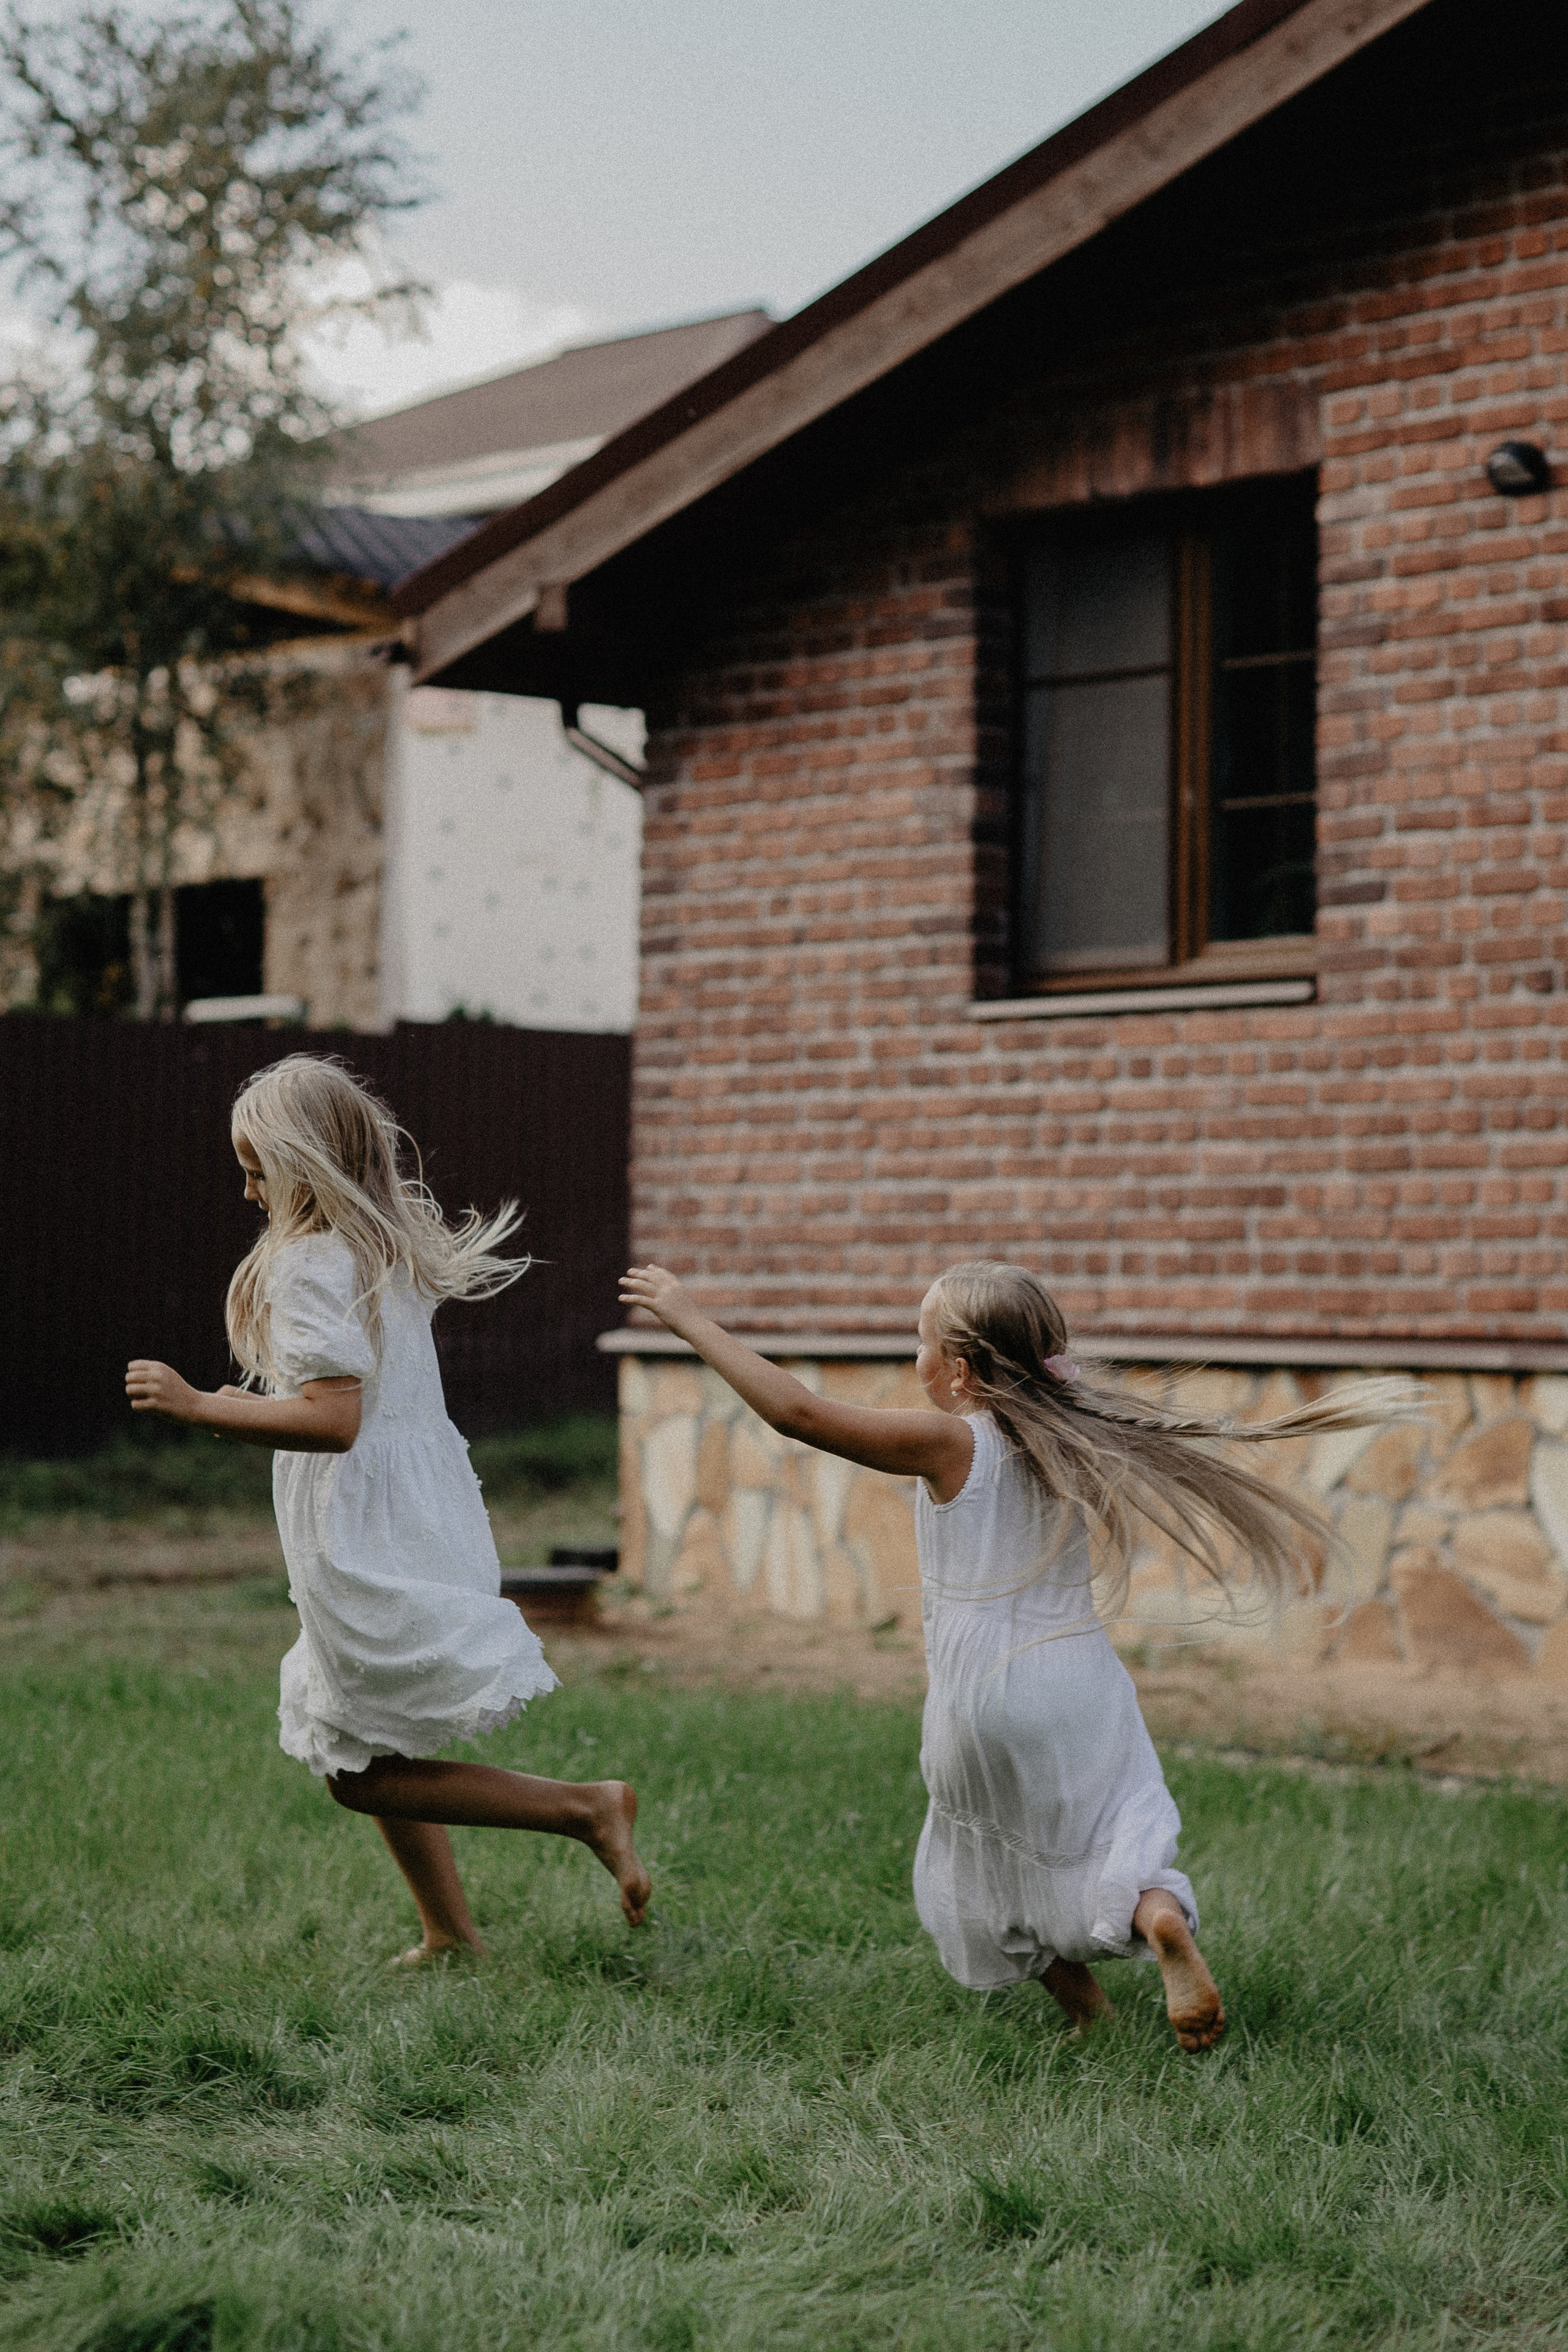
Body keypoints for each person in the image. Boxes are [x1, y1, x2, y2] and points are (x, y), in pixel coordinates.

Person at [619, 1257, 1410, 2052]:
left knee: (985, 1873)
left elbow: (800, 1414)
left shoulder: (950, 1443)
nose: (914, 1358)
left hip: (984, 1695)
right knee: (1110, 1837)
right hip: (1084, 1685)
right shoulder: (1073, 1432)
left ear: (959, 1372)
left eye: (920, 1340)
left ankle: (1089, 2016)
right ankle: (1154, 1914)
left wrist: (688, 1318)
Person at [126, 1054, 649, 1962]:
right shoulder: (378, 1253)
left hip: (362, 1533)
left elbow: (333, 1421)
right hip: (417, 1515)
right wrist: (243, 1402)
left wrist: (202, 1406)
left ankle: (584, 1807)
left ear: (304, 1165)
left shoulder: (311, 1264)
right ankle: (448, 1932)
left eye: (256, 1171)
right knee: (370, 1736)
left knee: (359, 1770)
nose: (248, 1192)